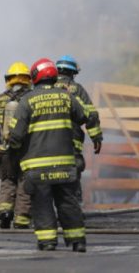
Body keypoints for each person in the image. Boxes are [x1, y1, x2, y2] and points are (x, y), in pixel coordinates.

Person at [9, 58, 100, 253]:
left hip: (38, 167)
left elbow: (15, 135)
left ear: (35, 77)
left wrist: (14, 149)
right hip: (66, 164)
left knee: (42, 203)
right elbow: (86, 116)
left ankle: (48, 241)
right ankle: (78, 241)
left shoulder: (27, 100)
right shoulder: (67, 97)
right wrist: (96, 136)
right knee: (68, 201)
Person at [54, 55, 103, 200]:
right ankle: (72, 211)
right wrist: (96, 137)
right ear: (73, 73)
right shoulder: (77, 89)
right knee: (72, 178)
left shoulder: (45, 88)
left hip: (44, 143)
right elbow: (91, 115)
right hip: (71, 143)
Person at [0, 62, 32, 229]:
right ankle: (22, 218)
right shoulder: (32, 97)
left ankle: (5, 212)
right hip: (26, 149)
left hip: (5, 150)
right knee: (24, 182)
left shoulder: (1, 99)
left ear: (8, 79)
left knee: (7, 180)